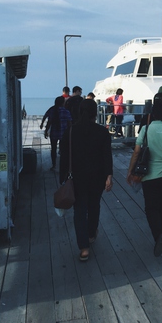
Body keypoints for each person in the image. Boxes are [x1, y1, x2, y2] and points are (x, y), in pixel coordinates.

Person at [59, 99, 113, 262]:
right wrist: (109, 176)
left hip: (77, 178)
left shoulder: (70, 132)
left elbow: (64, 157)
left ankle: (83, 248)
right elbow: (107, 156)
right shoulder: (102, 132)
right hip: (97, 177)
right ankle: (91, 234)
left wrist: (62, 178)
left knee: (79, 210)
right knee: (94, 206)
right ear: (95, 113)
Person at [127, 93, 162, 257]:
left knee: (151, 208)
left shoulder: (146, 129)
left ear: (153, 114)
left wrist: (130, 171)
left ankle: (158, 234)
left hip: (149, 176)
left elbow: (136, 152)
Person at [42, 96, 72, 170]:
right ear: (63, 103)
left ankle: (54, 165)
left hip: (54, 133)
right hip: (63, 134)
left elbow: (49, 122)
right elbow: (70, 124)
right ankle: (63, 165)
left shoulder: (52, 110)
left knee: (53, 149)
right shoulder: (66, 111)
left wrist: (46, 131)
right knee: (63, 150)